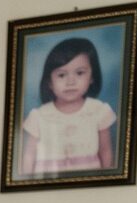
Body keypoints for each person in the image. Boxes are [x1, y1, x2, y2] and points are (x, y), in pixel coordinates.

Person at [19, 36, 116, 176]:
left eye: (79, 73)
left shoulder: (98, 111)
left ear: (92, 77)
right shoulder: (38, 116)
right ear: (49, 82)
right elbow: (28, 156)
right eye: (62, 75)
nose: (71, 81)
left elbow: (105, 151)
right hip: (46, 186)